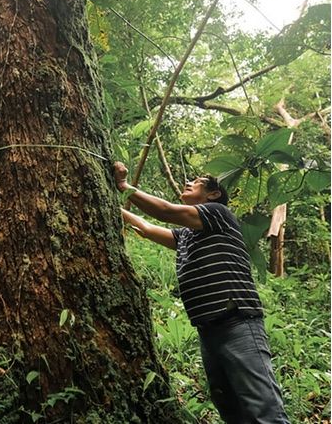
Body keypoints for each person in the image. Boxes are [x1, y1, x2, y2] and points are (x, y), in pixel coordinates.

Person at [113, 162, 289, 424]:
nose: (187, 183)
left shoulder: (218, 214)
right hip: (208, 331)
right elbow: (147, 230)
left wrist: (123, 187)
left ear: (213, 195)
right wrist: (111, 204)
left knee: (264, 411)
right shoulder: (186, 235)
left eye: (195, 182)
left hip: (238, 322)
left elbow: (166, 211)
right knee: (231, 410)